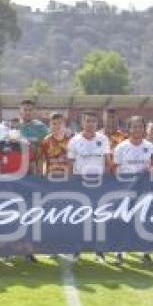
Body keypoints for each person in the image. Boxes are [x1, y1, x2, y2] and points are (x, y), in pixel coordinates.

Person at [113, 116, 153, 265]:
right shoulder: (121, 147)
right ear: (128, 129)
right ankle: (119, 252)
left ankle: (145, 252)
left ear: (144, 129)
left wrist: (150, 169)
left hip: (145, 190)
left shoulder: (150, 146)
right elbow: (114, 170)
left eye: (140, 126)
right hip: (125, 191)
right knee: (124, 221)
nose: (137, 129)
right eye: (134, 126)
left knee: (143, 221)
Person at [68, 111, 111, 263]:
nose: (91, 124)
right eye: (88, 121)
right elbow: (70, 164)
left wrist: (106, 181)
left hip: (99, 185)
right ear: (82, 122)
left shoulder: (103, 139)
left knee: (99, 219)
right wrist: (72, 184)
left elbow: (107, 161)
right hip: (80, 186)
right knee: (80, 218)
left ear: (97, 123)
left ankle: (99, 251)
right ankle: (76, 250)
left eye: (93, 121)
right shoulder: (74, 140)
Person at [19, 98, 49, 174]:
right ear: (20, 111)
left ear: (34, 111)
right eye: (25, 110)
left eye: (30, 110)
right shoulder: (13, 127)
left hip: (36, 168)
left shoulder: (41, 127)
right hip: (18, 168)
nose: (28, 112)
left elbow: (45, 149)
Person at [41, 112, 71, 178]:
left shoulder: (71, 141)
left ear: (64, 125)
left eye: (60, 123)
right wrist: (43, 175)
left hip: (67, 176)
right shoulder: (46, 141)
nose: (57, 126)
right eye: (54, 123)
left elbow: (73, 161)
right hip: (50, 176)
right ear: (50, 125)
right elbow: (43, 161)